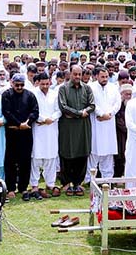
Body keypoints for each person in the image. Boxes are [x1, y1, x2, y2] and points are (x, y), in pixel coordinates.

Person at [58, 65, 95, 196]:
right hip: (68, 127)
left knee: (82, 152)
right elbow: (63, 107)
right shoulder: (63, 89)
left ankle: (78, 183)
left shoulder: (87, 88)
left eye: (79, 74)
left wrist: (82, 112)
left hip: (83, 127)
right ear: (70, 73)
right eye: (75, 74)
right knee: (67, 153)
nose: (78, 77)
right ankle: (67, 183)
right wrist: (80, 113)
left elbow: (92, 105)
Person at [1, 74, 39, 200]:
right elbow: (7, 112)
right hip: (12, 132)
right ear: (12, 83)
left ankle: (23, 188)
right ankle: (11, 188)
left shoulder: (30, 95)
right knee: (10, 161)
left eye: (21, 85)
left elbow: (35, 111)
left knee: (25, 161)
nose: (19, 87)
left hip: (26, 132)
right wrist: (18, 124)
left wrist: (26, 123)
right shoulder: (6, 95)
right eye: (16, 85)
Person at [30, 73, 61, 198]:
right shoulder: (33, 94)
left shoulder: (54, 94)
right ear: (38, 83)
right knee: (36, 157)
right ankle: (34, 185)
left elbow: (59, 110)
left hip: (51, 128)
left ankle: (50, 184)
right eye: (42, 84)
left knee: (51, 157)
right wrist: (42, 119)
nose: (45, 86)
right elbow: (32, 110)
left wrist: (51, 119)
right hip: (38, 128)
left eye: (47, 84)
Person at [87, 68, 120, 181]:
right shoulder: (90, 87)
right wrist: (101, 114)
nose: (105, 79)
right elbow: (91, 103)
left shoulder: (113, 87)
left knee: (108, 152)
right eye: (102, 77)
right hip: (96, 122)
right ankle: (89, 179)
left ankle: (107, 179)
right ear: (96, 76)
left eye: (106, 77)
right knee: (94, 151)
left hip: (109, 123)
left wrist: (110, 114)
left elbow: (117, 103)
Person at [114, 84, 132, 178]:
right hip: (119, 134)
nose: (128, 97)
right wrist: (127, 128)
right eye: (126, 94)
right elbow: (118, 120)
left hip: (130, 134)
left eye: (130, 94)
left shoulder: (132, 105)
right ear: (121, 94)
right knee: (119, 157)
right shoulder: (118, 106)